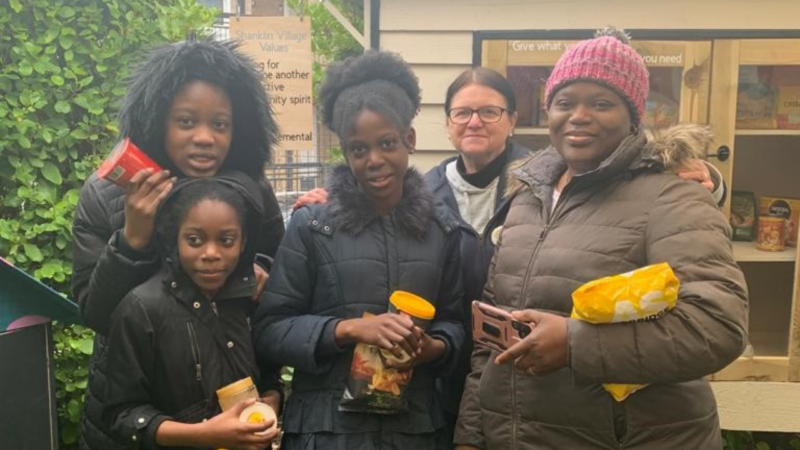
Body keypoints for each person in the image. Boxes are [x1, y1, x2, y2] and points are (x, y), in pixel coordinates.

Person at [292, 65, 727, 441]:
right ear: (447, 123)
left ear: (513, 120)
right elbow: (489, 327)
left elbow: (709, 311)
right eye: (462, 112)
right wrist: (335, 200)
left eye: (489, 111)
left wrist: (706, 181)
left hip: (610, 424)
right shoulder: (436, 193)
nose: (474, 122)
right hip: (467, 395)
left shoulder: (535, 184)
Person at [454, 28, 748, 450]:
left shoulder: (672, 197)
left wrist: (576, 345)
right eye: (564, 102)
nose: (579, 116)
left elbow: (717, 326)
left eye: (601, 103)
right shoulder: (527, 198)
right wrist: (471, 435)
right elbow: (492, 334)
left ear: (633, 116)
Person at [71, 38, 285, 450]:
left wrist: (261, 269)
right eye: (186, 121)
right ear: (158, 122)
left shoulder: (252, 193)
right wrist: (131, 240)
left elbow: (278, 268)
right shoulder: (108, 194)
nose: (205, 137)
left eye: (219, 124)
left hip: (232, 409)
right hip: (134, 419)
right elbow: (95, 312)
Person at [252, 50, 465, 450]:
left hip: (414, 432)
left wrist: (433, 347)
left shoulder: (443, 231)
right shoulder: (312, 227)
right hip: (326, 433)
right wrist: (349, 329)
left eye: (387, 143)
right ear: (346, 152)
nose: (374, 160)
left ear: (409, 139)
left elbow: (457, 324)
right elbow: (270, 330)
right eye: (358, 149)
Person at [102, 176, 280, 450]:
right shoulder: (142, 308)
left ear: (243, 242)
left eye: (226, 240)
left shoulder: (250, 299)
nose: (211, 253)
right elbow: (121, 414)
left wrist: (273, 397)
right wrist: (202, 434)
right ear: (175, 239)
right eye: (195, 240)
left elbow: (269, 370)